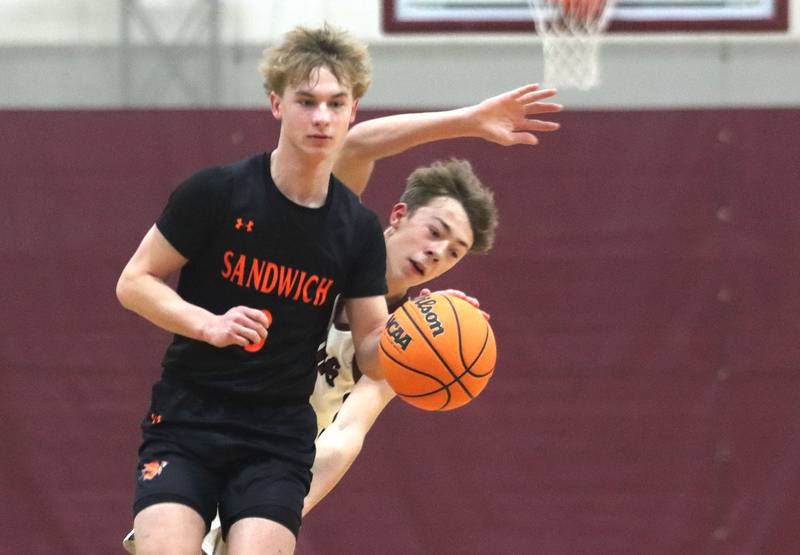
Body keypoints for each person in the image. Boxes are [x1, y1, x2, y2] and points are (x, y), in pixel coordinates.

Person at [121, 80, 562, 553]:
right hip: (212, 419)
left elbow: (344, 436)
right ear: (398, 215)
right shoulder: (337, 234)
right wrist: (465, 122)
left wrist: (268, 513)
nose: (436, 253)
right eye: (435, 233)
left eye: (454, 253)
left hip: (273, 464)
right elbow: (356, 145)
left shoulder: (409, 341)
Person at [116, 24, 391, 555]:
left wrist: (424, 336)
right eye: (306, 101)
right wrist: (207, 324)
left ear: (354, 109)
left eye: (337, 103)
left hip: (276, 434)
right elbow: (134, 282)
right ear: (276, 103)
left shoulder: (357, 229)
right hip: (189, 415)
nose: (322, 117)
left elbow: (375, 357)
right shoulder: (217, 192)